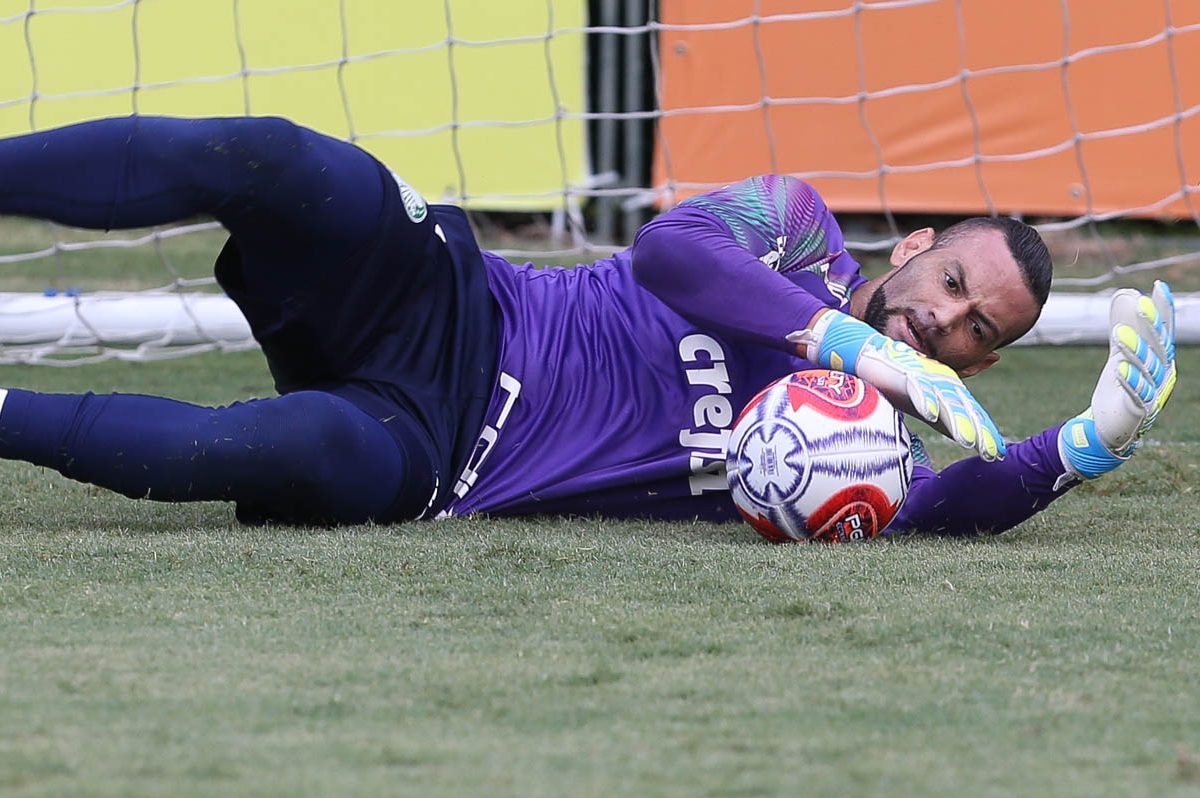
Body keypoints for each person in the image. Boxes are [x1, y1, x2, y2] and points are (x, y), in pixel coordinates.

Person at [0, 116, 1179, 536]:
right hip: (451, 293)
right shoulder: (796, 226)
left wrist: (1088, 440)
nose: (950, 323)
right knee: (272, 159)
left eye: (982, 334)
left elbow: (933, 509)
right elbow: (671, 253)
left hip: (438, 449)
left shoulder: (879, 449)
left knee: (284, 453)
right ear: (914, 245)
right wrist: (849, 343)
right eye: (956, 282)